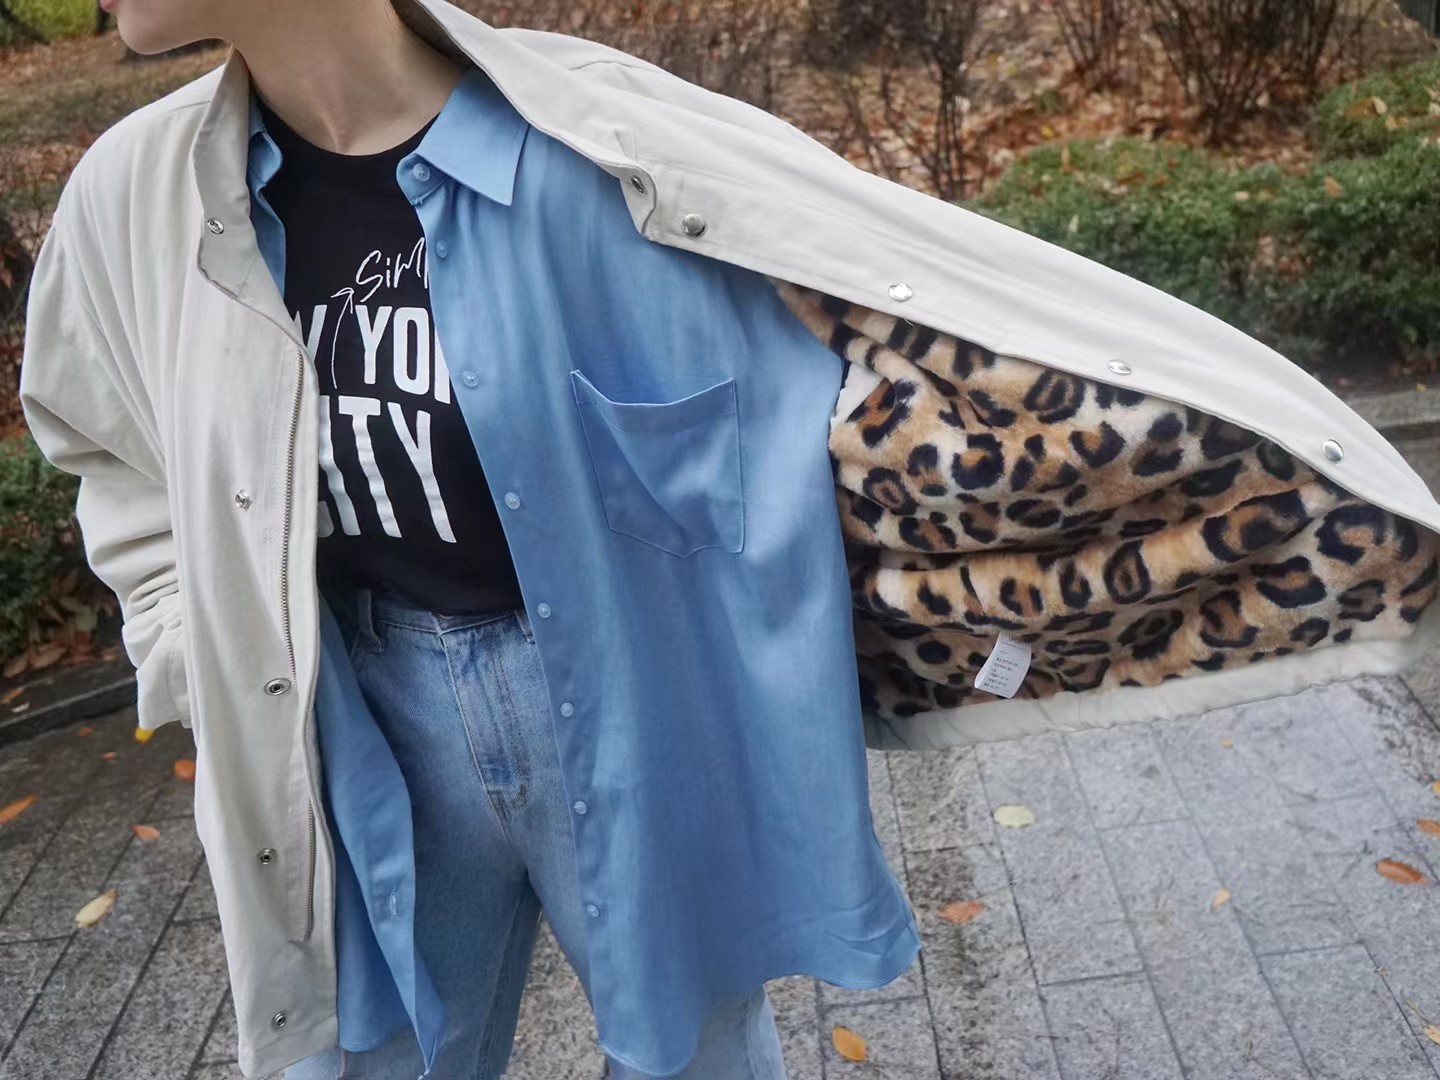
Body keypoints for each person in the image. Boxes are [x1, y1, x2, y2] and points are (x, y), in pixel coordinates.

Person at [20, 1, 923, 1077]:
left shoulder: (604, 144)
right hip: (357, 717)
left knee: (693, 1049)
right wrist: (180, 632)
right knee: (374, 1056)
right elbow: (104, 437)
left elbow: (842, 382)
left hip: (626, 698)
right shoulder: (136, 197)